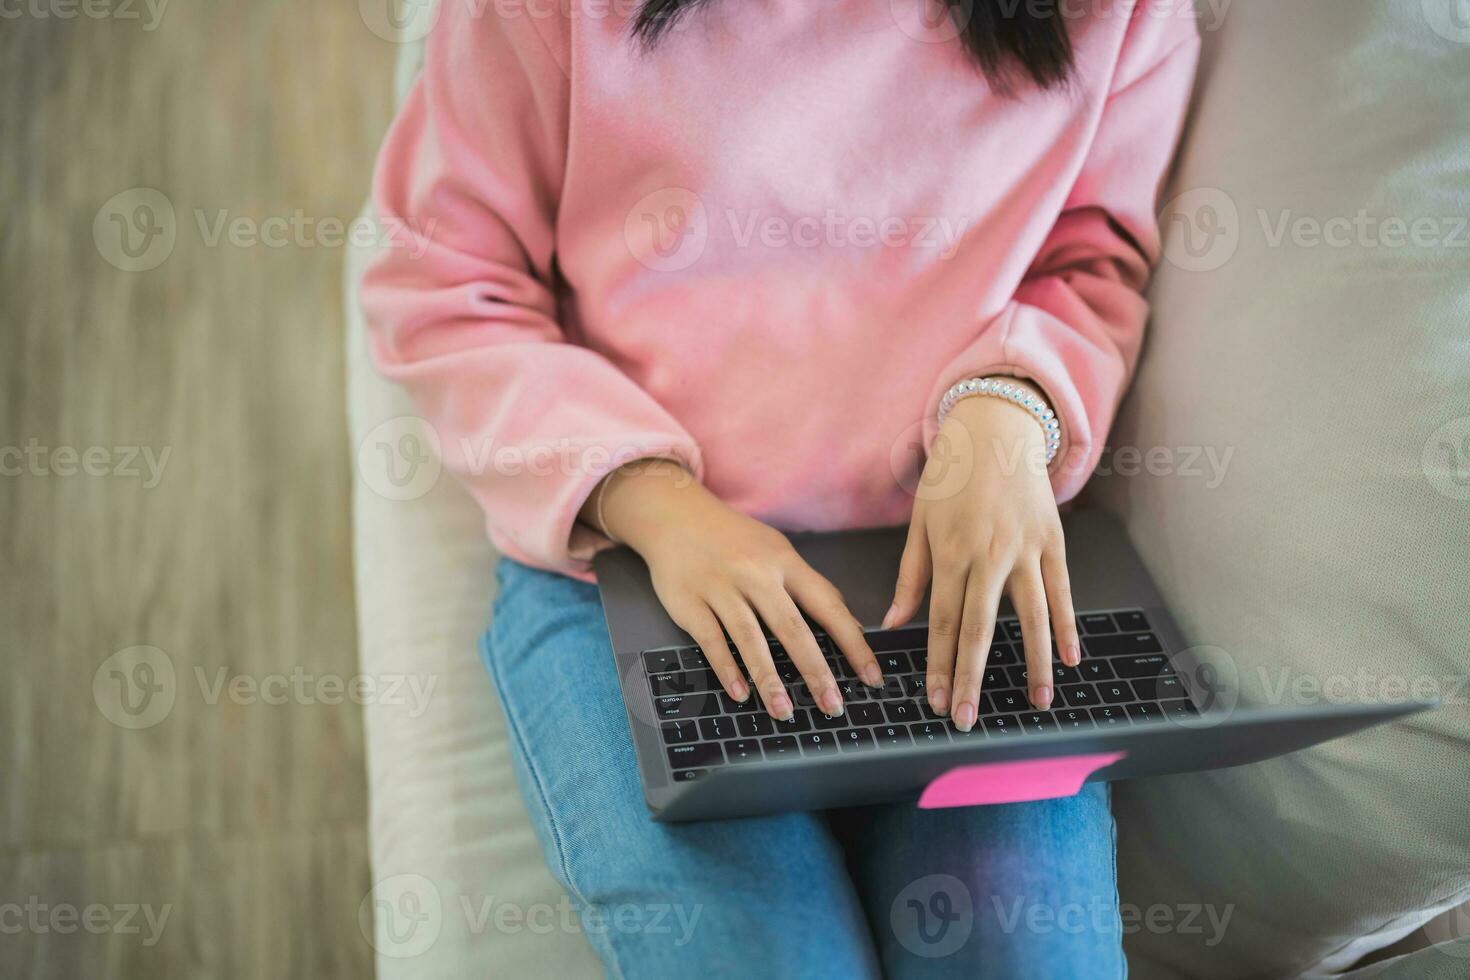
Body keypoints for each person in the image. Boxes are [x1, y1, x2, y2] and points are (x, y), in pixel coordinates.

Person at [363, 1, 1199, 975]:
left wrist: (1010, 407)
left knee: (1021, 953)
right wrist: (655, 501)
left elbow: (1091, 258)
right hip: (635, 580)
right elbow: (448, 285)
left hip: (954, 597)